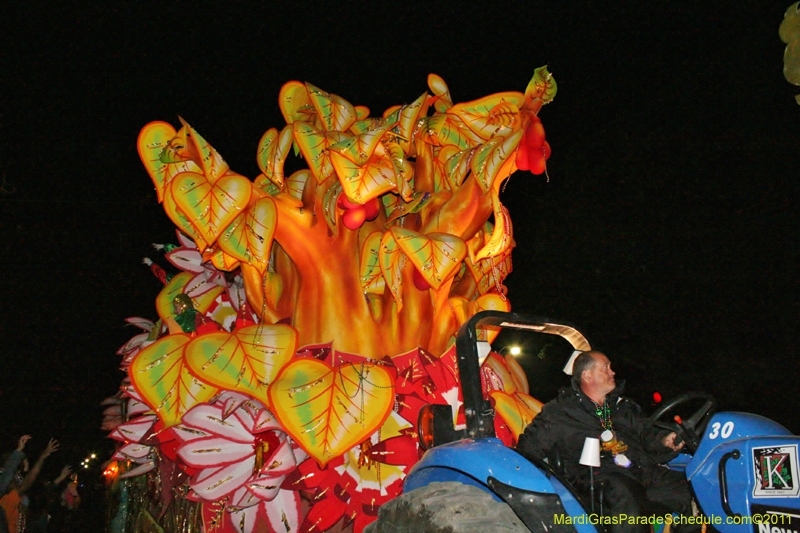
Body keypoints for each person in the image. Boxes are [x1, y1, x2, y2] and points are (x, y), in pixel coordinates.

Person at [516, 351, 693, 533]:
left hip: (642, 471)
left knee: (694, 489)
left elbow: (646, 434)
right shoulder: (560, 412)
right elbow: (529, 448)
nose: (612, 372)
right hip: (597, 479)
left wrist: (665, 440)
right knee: (625, 496)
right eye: (606, 367)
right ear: (587, 375)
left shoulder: (622, 407)